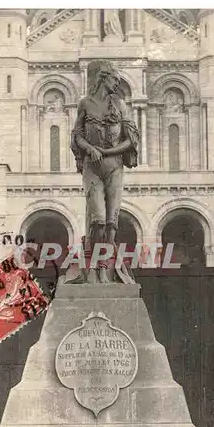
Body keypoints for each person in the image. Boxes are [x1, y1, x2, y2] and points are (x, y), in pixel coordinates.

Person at [71, 61, 139, 283]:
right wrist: (90, 149)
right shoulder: (85, 104)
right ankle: (92, 264)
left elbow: (131, 139)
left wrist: (107, 150)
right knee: (98, 220)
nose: (117, 83)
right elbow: (77, 135)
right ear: (103, 78)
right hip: (92, 168)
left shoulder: (120, 105)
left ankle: (104, 268)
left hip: (114, 168)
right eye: (114, 79)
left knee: (112, 223)